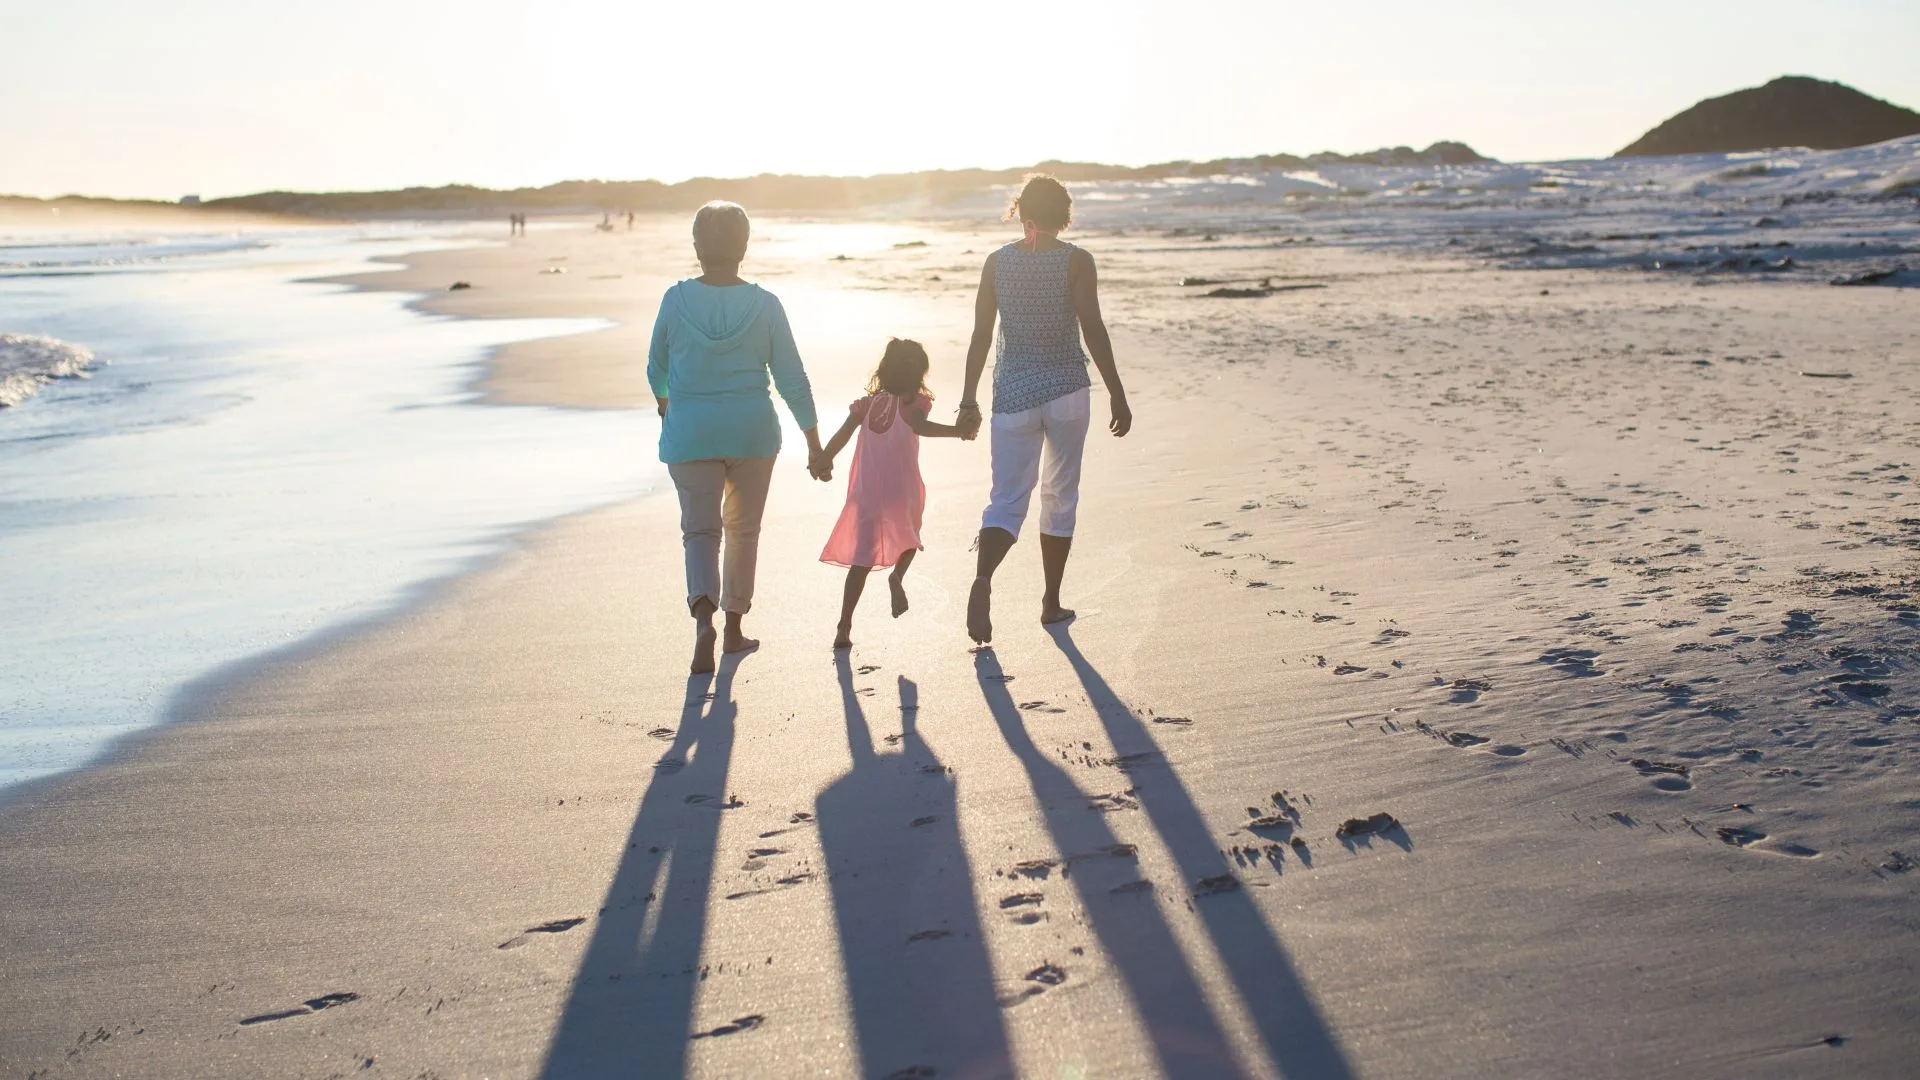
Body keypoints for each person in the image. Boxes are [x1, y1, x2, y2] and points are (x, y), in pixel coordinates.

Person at [648, 201, 829, 673]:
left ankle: (702, 619)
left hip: (690, 434)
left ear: (697, 247)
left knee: (700, 532)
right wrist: (813, 441)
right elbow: (793, 378)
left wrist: (666, 402)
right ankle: (732, 630)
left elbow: (657, 367)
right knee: (742, 531)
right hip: (751, 433)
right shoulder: (766, 305)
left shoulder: (675, 299)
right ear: (744, 248)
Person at [955, 174, 1131, 644]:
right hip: (1067, 391)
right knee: (1060, 494)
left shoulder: (996, 263)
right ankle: (1051, 602)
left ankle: (984, 579)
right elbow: (1092, 328)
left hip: (1013, 394)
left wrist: (969, 398)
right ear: (1065, 215)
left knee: (1007, 499)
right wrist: (1117, 390)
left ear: (1021, 211)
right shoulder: (1077, 261)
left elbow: (980, 336)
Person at [817, 338, 973, 650]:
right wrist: (958, 431)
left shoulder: (866, 405)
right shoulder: (913, 404)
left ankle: (844, 625)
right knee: (911, 539)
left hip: (868, 491)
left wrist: (824, 458)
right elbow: (922, 428)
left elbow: (843, 435)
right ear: (918, 374)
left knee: (861, 560)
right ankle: (897, 578)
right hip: (902, 489)